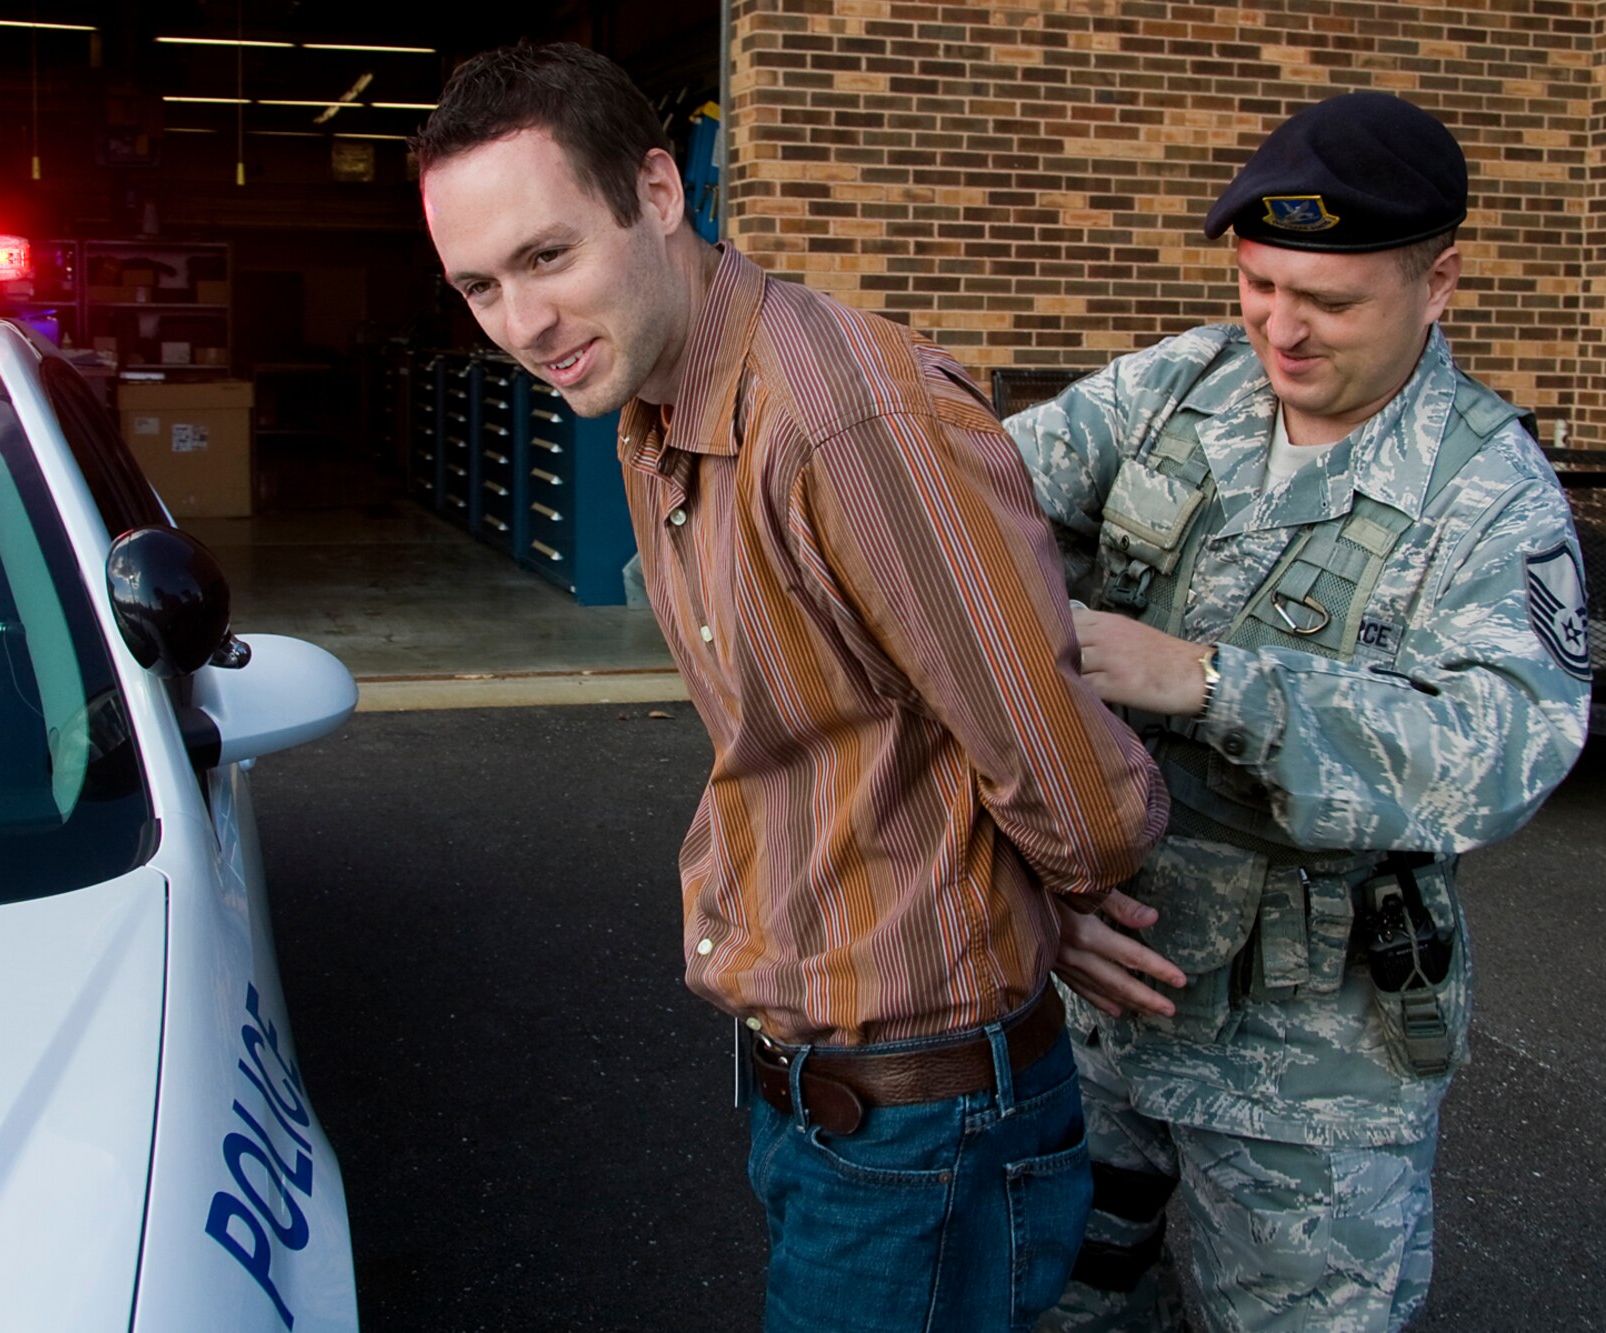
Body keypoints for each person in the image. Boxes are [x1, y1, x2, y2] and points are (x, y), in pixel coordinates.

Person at [414, 41, 1170, 1333]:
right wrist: (1023, 898)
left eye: (550, 257)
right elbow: (823, 739)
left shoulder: (843, 423)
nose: (521, 323)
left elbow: (1068, 785)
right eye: (479, 285)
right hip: (827, 1094)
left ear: (659, 191)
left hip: (924, 1123)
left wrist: (1056, 890)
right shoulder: (658, 411)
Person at [1003, 92, 1592, 1331]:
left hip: (1306, 1062)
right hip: (1094, 993)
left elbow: (1504, 746)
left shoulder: (1487, 488)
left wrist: (1211, 680)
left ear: (1438, 283)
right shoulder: (1181, 386)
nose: (1282, 328)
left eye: (1330, 301)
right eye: (1260, 284)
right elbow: (969, 518)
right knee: (1055, 1304)